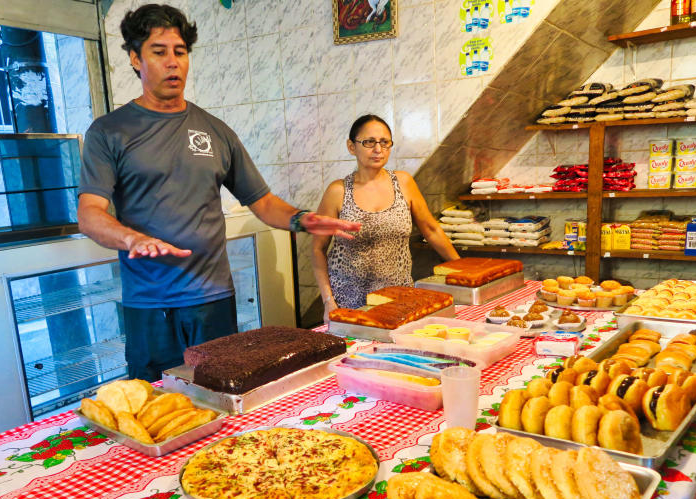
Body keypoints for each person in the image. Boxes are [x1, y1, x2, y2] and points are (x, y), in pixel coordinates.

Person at [76, 4, 359, 381]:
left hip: (213, 299)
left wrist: (301, 219)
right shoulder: (110, 131)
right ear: (135, 58)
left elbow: (262, 201)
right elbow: (90, 212)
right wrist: (131, 238)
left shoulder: (214, 130)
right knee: (160, 401)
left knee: (221, 393)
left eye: (180, 52)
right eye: (159, 52)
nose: (173, 63)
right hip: (149, 303)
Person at [310, 114, 458, 319]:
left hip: (398, 297)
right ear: (352, 147)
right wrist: (328, 301)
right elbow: (317, 249)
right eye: (369, 142)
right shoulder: (338, 191)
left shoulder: (404, 183)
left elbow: (432, 230)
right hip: (347, 302)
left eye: (384, 142)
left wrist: (462, 269)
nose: (378, 149)